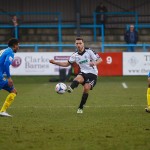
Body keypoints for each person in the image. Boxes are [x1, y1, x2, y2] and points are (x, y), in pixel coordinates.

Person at [49, 37, 102, 114]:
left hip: (93, 74)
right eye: (77, 43)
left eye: (80, 43)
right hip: (83, 72)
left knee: (86, 88)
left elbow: (100, 59)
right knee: (78, 78)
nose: (78, 45)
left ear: (83, 43)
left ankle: (81, 107)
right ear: (75, 44)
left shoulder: (89, 51)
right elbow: (66, 64)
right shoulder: (74, 55)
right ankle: (71, 88)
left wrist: (94, 63)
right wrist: (55, 62)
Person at [0, 38, 19, 117]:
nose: (18, 47)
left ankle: (3, 111)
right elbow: (6, 64)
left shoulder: (4, 50)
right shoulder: (10, 52)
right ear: (14, 45)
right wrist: (9, 78)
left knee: (13, 91)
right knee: (13, 91)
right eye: (18, 45)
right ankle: (2, 111)